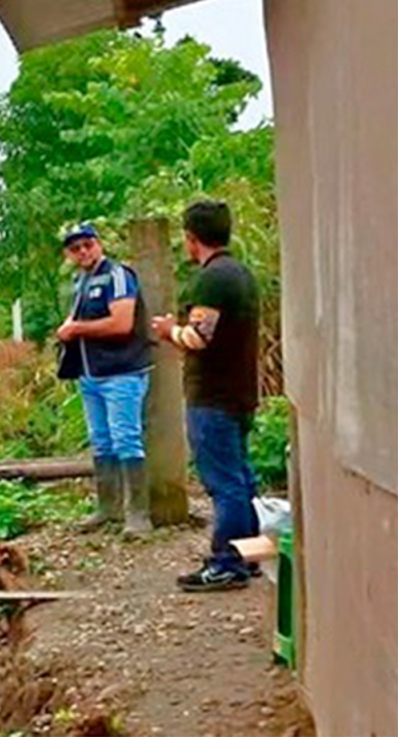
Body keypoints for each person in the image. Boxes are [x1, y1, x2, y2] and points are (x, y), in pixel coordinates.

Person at [152, 199, 261, 592]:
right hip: (239, 391)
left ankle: (227, 562)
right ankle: (248, 556)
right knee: (241, 478)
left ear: (191, 238)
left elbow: (199, 337)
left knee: (225, 483)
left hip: (213, 396)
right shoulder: (241, 274)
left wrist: (168, 331)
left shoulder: (212, 279)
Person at [56, 223, 154, 535]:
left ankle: (138, 513)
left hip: (121, 371)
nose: (83, 252)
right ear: (68, 254)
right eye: (75, 248)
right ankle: (108, 507)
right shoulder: (80, 281)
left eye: (87, 244)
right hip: (91, 372)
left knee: (126, 438)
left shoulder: (117, 274)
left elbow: (122, 323)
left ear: (98, 244)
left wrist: (77, 329)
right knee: (101, 440)